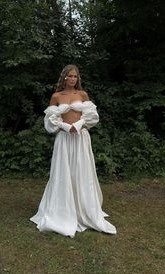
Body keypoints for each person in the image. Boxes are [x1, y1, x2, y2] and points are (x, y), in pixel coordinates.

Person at [30, 64, 116, 237]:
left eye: (75, 76)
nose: (72, 79)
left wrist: (78, 124)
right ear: (64, 77)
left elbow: (91, 116)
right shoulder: (56, 96)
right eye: (69, 76)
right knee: (63, 172)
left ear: (78, 78)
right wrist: (64, 126)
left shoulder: (82, 95)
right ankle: (62, 210)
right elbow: (51, 120)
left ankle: (83, 209)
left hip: (81, 138)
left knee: (81, 172)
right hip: (64, 139)